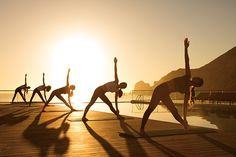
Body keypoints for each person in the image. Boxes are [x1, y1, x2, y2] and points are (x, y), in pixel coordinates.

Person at [140, 38, 203, 133]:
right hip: (160, 90)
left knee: (175, 112)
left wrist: (185, 118)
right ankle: (141, 129)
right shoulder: (187, 76)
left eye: (198, 79)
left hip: (165, 94)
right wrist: (185, 48)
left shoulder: (187, 91)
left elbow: (185, 106)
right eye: (198, 77)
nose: (196, 77)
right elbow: (187, 61)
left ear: (197, 84)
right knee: (150, 109)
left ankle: (184, 124)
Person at [82, 57, 127, 122]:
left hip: (101, 92)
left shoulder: (117, 91)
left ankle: (118, 116)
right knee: (92, 103)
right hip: (98, 90)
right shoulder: (116, 81)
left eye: (124, 86)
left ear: (123, 88)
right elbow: (115, 71)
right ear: (121, 83)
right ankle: (83, 117)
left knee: (108, 104)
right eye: (123, 84)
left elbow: (116, 100)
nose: (122, 85)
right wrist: (115, 63)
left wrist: (117, 108)